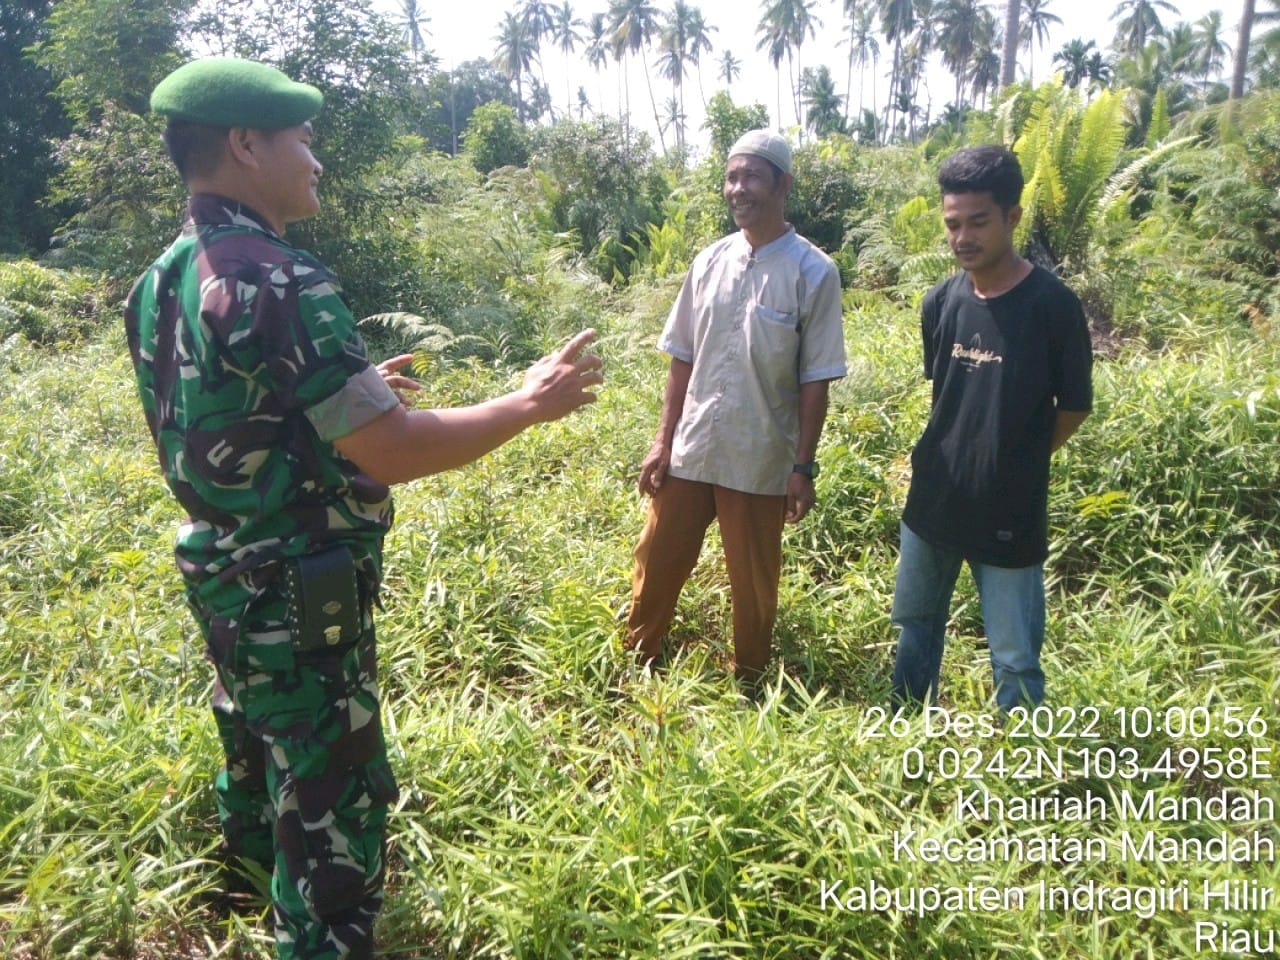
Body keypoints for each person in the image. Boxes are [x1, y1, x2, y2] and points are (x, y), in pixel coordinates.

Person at [123, 58, 602, 960]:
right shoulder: (277, 279)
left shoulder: (163, 278)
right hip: (298, 594)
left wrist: (347, 397)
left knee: (259, 754)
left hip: (226, 579)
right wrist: (526, 401)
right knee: (330, 809)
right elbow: (396, 450)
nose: (315, 159)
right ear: (245, 143)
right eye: (301, 138)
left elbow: (219, 419)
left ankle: (252, 898)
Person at [624, 130, 847, 688]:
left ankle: (747, 680)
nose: (737, 189)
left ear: (783, 186)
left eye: (751, 176)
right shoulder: (710, 261)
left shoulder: (813, 272)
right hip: (693, 445)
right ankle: (639, 658)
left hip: (758, 454)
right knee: (657, 558)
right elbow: (681, 357)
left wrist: (803, 468)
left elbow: (815, 379)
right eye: (731, 177)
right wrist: (661, 440)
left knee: (752, 581)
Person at [890, 144, 1093, 714]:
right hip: (932, 500)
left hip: (1010, 510)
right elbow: (946, 392)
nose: (963, 237)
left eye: (978, 222)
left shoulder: (1053, 306)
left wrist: (1018, 458)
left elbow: (1074, 405)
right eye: (952, 224)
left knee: (1014, 652)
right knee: (916, 626)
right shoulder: (941, 302)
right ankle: (905, 731)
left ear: (1013, 217)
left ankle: (1023, 761)